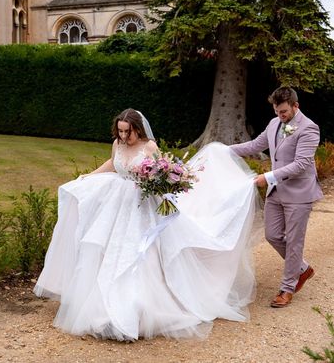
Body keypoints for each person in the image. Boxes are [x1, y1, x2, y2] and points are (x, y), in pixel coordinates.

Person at [34, 108, 262, 341]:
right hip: (117, 202)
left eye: (128, 132)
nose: (123, 136)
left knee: (143, 254)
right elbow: (113, 164)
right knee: (106, 247)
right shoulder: (117, 143)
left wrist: (156, 183)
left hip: (143, 204)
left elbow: (163, 174)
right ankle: (102, 307)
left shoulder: (149, 147)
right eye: (120, 131)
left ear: (138, 129)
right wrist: (87, 176)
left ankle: (141, 309)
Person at [230, 86, 323, 308]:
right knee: (272, 235)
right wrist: (225, 150)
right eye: (276, 111)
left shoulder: (309, 129)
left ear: (295, 106)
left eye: (283, 112)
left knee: (293, 241)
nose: (279, 116)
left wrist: (268, 176)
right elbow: (255, 145)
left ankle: (288, 287)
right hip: (277, 192)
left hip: (299, 193)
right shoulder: (274, 123)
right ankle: (302, 269)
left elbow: (301, 164)